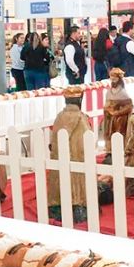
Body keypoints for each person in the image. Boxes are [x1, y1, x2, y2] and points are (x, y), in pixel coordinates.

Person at [47, 86, 90, 223]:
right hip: (77, 159)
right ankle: (77, 205)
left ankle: (58, 204)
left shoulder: (60, 117)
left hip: (62, 159)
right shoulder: (80, 117)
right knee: (77, 182)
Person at [102, 68, 134, 154]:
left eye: (115, 78)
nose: (113, 80)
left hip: (120, 118)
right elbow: (106, 104)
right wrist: (108, 109)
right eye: (111, 78)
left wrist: (118, 112)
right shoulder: (109, 92)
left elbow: (129, 106)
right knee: (109, 133)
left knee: (119, 134)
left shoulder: (123, 92)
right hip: (110, 118)